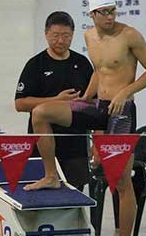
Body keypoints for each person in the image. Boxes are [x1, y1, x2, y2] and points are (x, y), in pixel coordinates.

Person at [23, 0, 146, 236]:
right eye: (104, 12)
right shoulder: (89, 37)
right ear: (92, 14)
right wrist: (86, 98)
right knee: (40, 112)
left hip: (122, 112)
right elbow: (100, 70)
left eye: (112, 10)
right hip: (98, 106)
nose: (109, 16)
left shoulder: (129, 35)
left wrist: (125, 92)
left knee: (122, 182)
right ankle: (51, 175)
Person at [15, 11, 94, 191]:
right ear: (46, 34)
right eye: (55, 36)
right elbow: (20, 104)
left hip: (75, 145)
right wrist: (56, 101)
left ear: (73, 35)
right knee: (43, 201)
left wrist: (97, 140)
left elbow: (95, 103)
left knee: (74, 199)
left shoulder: (82, 63)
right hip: (42, 147)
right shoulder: (36, 64)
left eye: (66, 36)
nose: (60, 41)